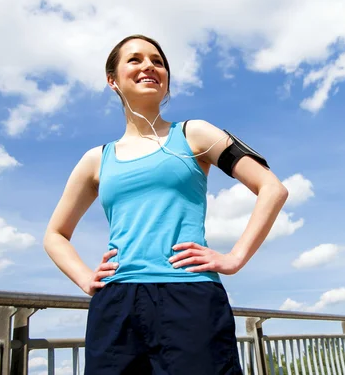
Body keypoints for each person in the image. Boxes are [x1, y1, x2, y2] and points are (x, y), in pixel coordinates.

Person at [43, 34, 289, 374]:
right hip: (116, 305)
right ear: (112, 80)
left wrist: (233, 258)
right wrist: (86, 279)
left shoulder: (195, 133)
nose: (149, 66)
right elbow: (55, 234)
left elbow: (272, 188)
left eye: (158, 61)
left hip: (190, 297)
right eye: (135, 59)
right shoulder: (96, 159)